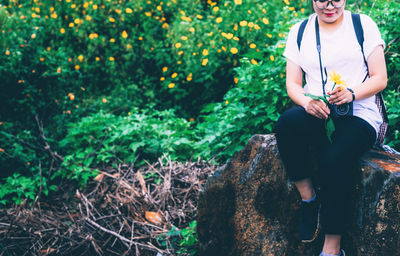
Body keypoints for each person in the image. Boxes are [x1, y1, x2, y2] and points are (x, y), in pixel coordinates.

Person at [274, 0, 387, 255]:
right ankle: (309, 200)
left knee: (333, 160)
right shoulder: (300, 31)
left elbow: (380, 77)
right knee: (286, 124)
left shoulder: (362, 25)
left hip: (360, 112)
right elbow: (293, 83)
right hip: (320, 110)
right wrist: (307, 101)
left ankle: (332, 247)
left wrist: (351, 93)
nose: (329, 5)